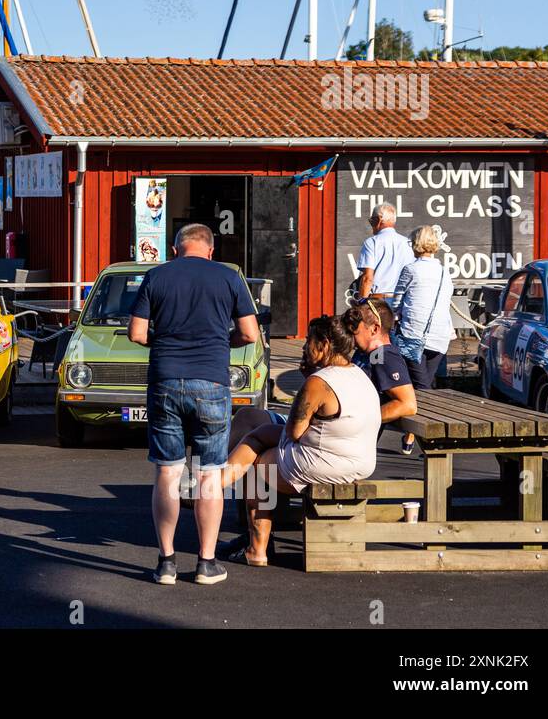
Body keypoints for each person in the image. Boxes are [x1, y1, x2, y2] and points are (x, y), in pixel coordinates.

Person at [128, 223, 260, 586]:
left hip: (165, 381)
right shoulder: (230, 278)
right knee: (208, 474)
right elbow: (250, 333)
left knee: (168, 472)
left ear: (175, 250)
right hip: (212, 383)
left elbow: (137, 333)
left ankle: (166, 563)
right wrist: (221, 340)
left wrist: (167, 340)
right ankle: (206, 563)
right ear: (211, 250)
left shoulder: (156, 277)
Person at [218, 315, 380, 566]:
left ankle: (256, 547)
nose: (304, 347)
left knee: (257, 461)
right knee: (256, 426)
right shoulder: (358, 374)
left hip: (324, 463)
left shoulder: (319, 382)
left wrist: (308, 382)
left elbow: (294, 432)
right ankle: (215, 486)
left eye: (308, 341)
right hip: (358, 461)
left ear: (324, 344)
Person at [342, 297, 420, 455]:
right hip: (342, 437)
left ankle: (274, 478)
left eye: (355, 327)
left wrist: (362, 421)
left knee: (277, 450)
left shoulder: (385, 356)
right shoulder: (368, 354)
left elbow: (408, 404)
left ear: (374, 329)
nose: (350, 332)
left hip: (350, 446)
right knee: (278, 436)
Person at [392, 225, 454, 391]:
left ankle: (420, 415)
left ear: (415, 244)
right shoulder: (444, 272)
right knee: (425, 381)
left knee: (420, 386)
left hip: (413, 333)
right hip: (440, 336)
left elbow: (396, 303)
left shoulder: (411, 270)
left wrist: (394, 316)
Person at [356, 203, 414, 302]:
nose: (371, 225)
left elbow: (367, 278)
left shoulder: (372, 242)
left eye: (372, 221)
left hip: (379, 302)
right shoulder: (408, 243)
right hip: (403, 301)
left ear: (379, 220)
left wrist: (361, 303)